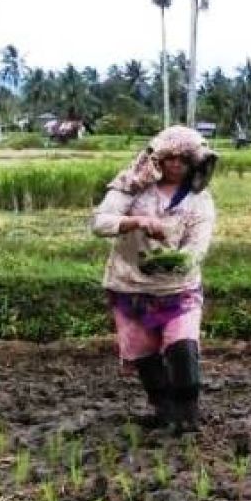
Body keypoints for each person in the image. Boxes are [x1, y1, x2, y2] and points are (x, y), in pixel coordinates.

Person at [91, 126, 218, 432]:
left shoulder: (200, 202)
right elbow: (100, 223)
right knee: (143, 355)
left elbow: (196, 248)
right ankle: (164, 413)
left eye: (184, 160)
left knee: (183, 348)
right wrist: (137, 221)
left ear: (196, 164)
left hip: (179, 287)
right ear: (157, 159)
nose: (175, 165)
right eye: (169, 158)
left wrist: (178, 260)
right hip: (130, 284)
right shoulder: (131, 187)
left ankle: (188, 418)